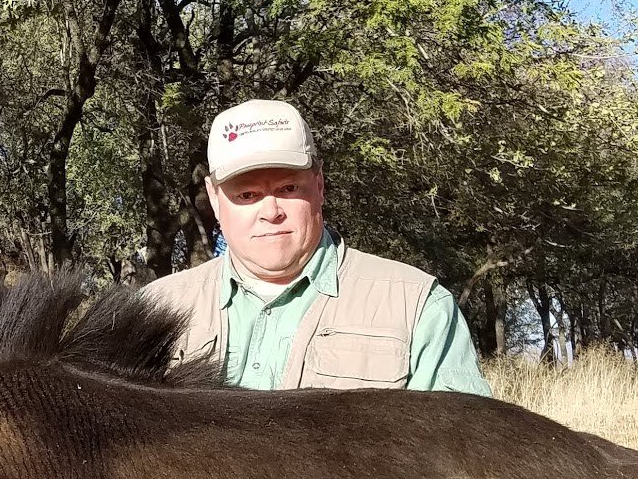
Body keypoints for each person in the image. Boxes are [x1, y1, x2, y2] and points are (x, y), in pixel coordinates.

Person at [144, 99, 490, 394]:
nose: (270, 212)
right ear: (216, 199)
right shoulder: (151, 312)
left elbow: (466, 458)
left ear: (320, 185)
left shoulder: (417, 307)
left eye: (288, 188)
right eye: (246, 195)